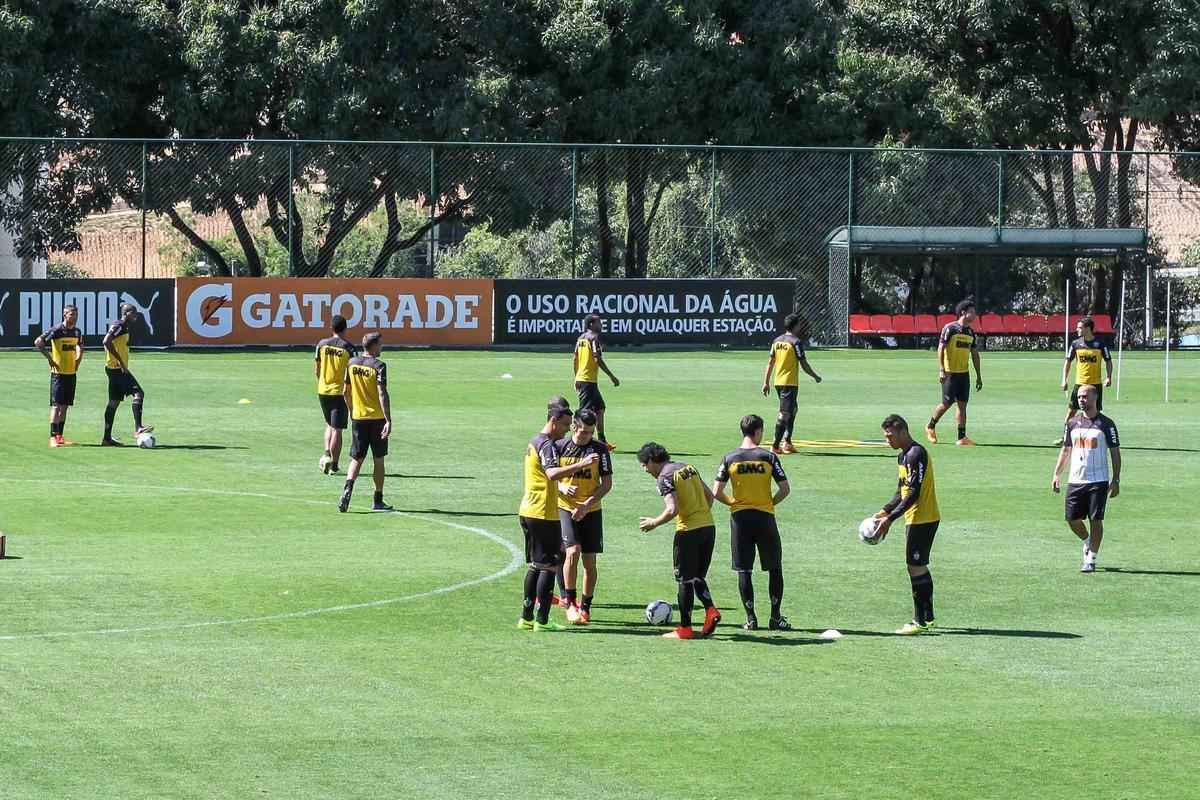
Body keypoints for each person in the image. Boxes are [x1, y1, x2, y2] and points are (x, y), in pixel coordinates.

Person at [518, 404, 598, 632]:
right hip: (543, 512)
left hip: (529, 510)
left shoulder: (534, 440)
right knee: (550, 566)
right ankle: (542, 621)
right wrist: (581, 464)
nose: (566, 430)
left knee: (536, 565)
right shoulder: (547, 445)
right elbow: (552, 473)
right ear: (554, 421)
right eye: (564, 425)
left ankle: (526, 617)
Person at [712, 414, 792, 630]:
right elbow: (785, 489)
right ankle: (775, 617)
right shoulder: (768, 457)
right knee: (774, 567)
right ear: (758, 431)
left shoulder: (729, 458)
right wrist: (769, 503)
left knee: (744, 569)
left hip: (740, 518)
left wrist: (733, 503)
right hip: (765, 516)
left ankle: (751, 619)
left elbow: (716, 491)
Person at [637, 443, 722, 640]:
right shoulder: (687, 466)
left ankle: (685, 628)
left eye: (644, 465)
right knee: (697, 577)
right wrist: (700, 514)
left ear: (651, 460)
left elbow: (672, 509)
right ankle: (710, 611)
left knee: (684, 580)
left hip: (688, 532)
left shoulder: (664, 477)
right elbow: (710, 496)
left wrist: (654, 523)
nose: (645, 469)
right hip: (708, 528)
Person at [872, 414, 940, 635]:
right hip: (917, 518)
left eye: (890, 436)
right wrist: (885, 510)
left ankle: (919, 621)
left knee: (915, 566)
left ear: (902, 432)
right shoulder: (902, 457)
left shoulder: (916, 454)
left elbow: (913, 493)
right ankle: (928, 618)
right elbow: (900, 490)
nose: (887, 441)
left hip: (923, 517)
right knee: (918, 565)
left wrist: (890, 520)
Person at [1051, 384, 1120, 573]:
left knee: (1096, 520)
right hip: (1076, 480)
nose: (1081, 400)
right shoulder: (1072, 423)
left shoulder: (1106, 424)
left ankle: (1091, 558)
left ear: (1095, 398)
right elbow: (1065, 450)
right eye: (1079, 397)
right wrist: (1057, 474)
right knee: (1071, 519)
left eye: (1085, 396)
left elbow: (1115, 452)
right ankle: (1087, 541)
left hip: (1098, 480)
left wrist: (1116, 479)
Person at [556, 408, 613, 624]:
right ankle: (570, 602)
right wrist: (561, 487)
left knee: (590, 562)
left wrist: (588, 504)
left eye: (590, 432)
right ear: (573, 427)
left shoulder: (599, 450)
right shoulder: (560, 447)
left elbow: (607, 484)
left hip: (591, 511)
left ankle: (586, 606)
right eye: (583, 432)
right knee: (572, 551)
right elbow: (548, 476)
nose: (587, 436)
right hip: (566, 508)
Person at [338, 333, 393, 513]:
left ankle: (348, 488)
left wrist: (352, 409)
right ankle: (378, 499)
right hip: (376, 418)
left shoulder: (351, 363)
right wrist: (388, 419)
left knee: (356, 457)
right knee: (378, 459)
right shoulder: (379, 366)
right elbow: (382, 393)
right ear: (374, 346)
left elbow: (345, 391)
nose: (382, 347)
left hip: (358, 417)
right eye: (380, 344)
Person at [761, 313, 821, 454]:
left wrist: (766, 382)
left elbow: (770, 363)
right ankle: (776, 446)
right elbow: (804, 364)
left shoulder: (777, 341)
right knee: (785, 413)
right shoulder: (796, 342)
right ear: (795, 326)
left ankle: (787, 442)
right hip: (789, 383)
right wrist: (815, 376)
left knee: (793, 408)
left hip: (778, 381)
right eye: (799, 324)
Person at [925, 299, 982, 446]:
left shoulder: (970, 332)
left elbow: (975, 354)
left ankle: (961, 437)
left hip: (964, 374)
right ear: (963, 312)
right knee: (946, 403)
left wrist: (979, 376)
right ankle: (930, 426)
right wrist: (941, 369)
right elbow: (941, 348)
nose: (975, 315)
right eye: (972, 312)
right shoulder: (950, 328)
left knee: (962, 405)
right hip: (950, 373)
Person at [100, 303, 154, 446]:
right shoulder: (119, 325)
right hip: (118, 369)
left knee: (113, 402)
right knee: (138, 393)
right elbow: (106, 341)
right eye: (134, 313)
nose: (136, 316)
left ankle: (106, 438)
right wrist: (120, 361)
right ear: (127, 313)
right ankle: (138, 428)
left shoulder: (123, 326)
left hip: (113, 368)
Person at [1053, 317, 1112, 446]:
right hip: (1080, 384)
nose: (1077, 329)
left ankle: (1098, 438)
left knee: (1095, 413)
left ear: (1088, 328)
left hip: (1095, 385)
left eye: (1080, 327)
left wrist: (1109, 377)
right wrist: (1064, 380)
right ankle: (1066, 438)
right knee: (1071, 411)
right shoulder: (1075, 344)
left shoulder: (1100, 344)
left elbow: (1108, 361)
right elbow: (1068, 362)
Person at [34, 305, 84, 448]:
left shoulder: (76, 331)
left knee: (65, 406)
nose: (74, 317)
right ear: (64, 315)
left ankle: (60, 436)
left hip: (71, 374)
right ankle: (52, 438)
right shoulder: (57, 330)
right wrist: (49, 359)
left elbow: (80, 345)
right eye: (71, 314)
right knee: (56, 406)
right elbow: (38, 342)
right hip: (58, 375)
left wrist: (78, 360)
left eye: (75, 314)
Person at [315, 315, 357, 473]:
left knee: (329, 424)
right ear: (345, 329)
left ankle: (326, 454)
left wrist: (323, 382)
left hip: (323, 390)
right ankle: (334, 464)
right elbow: (352, 373)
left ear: (331, 328)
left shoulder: (321, 345)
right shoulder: (349, 348)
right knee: (337, 429)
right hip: (340, 392)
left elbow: (317, 370)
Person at [573, 314, 620, 450]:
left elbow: (575, 358)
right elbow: (597, 359)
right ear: (591, 324)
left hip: (585, 380)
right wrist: (611, 376)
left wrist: (576, 377)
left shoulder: (580, 338)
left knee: (600, 409)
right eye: (599, 322)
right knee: (584, 413)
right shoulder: (593, 338)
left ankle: (602, 441)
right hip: (588, 381)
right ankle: (577, 442)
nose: (601, 325)